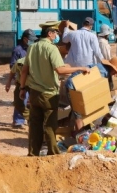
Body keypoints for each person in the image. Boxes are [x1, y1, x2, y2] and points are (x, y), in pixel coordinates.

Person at [19, 22, 91, 156]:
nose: (57, 35)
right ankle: (53, 154)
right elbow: (60, 70)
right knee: (50, 126)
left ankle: (33, 153)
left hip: (34, 93)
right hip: (49, 94)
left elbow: (24, 71)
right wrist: (81, 68)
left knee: (35, 125)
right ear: (50, 34)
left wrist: (22, 88)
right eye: (56, 33)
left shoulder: (32, 47)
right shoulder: (52, 49)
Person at [5, 29, 37, 127]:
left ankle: (31, 120)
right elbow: (13, 67)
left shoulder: (34, 49)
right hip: (21, 80)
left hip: (32, 81)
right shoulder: (18, 50)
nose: (32, 41)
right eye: (30, 39)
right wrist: (10, 81)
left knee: (32, 102)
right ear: (25, 39)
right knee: (20, 101)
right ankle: (18, 121)